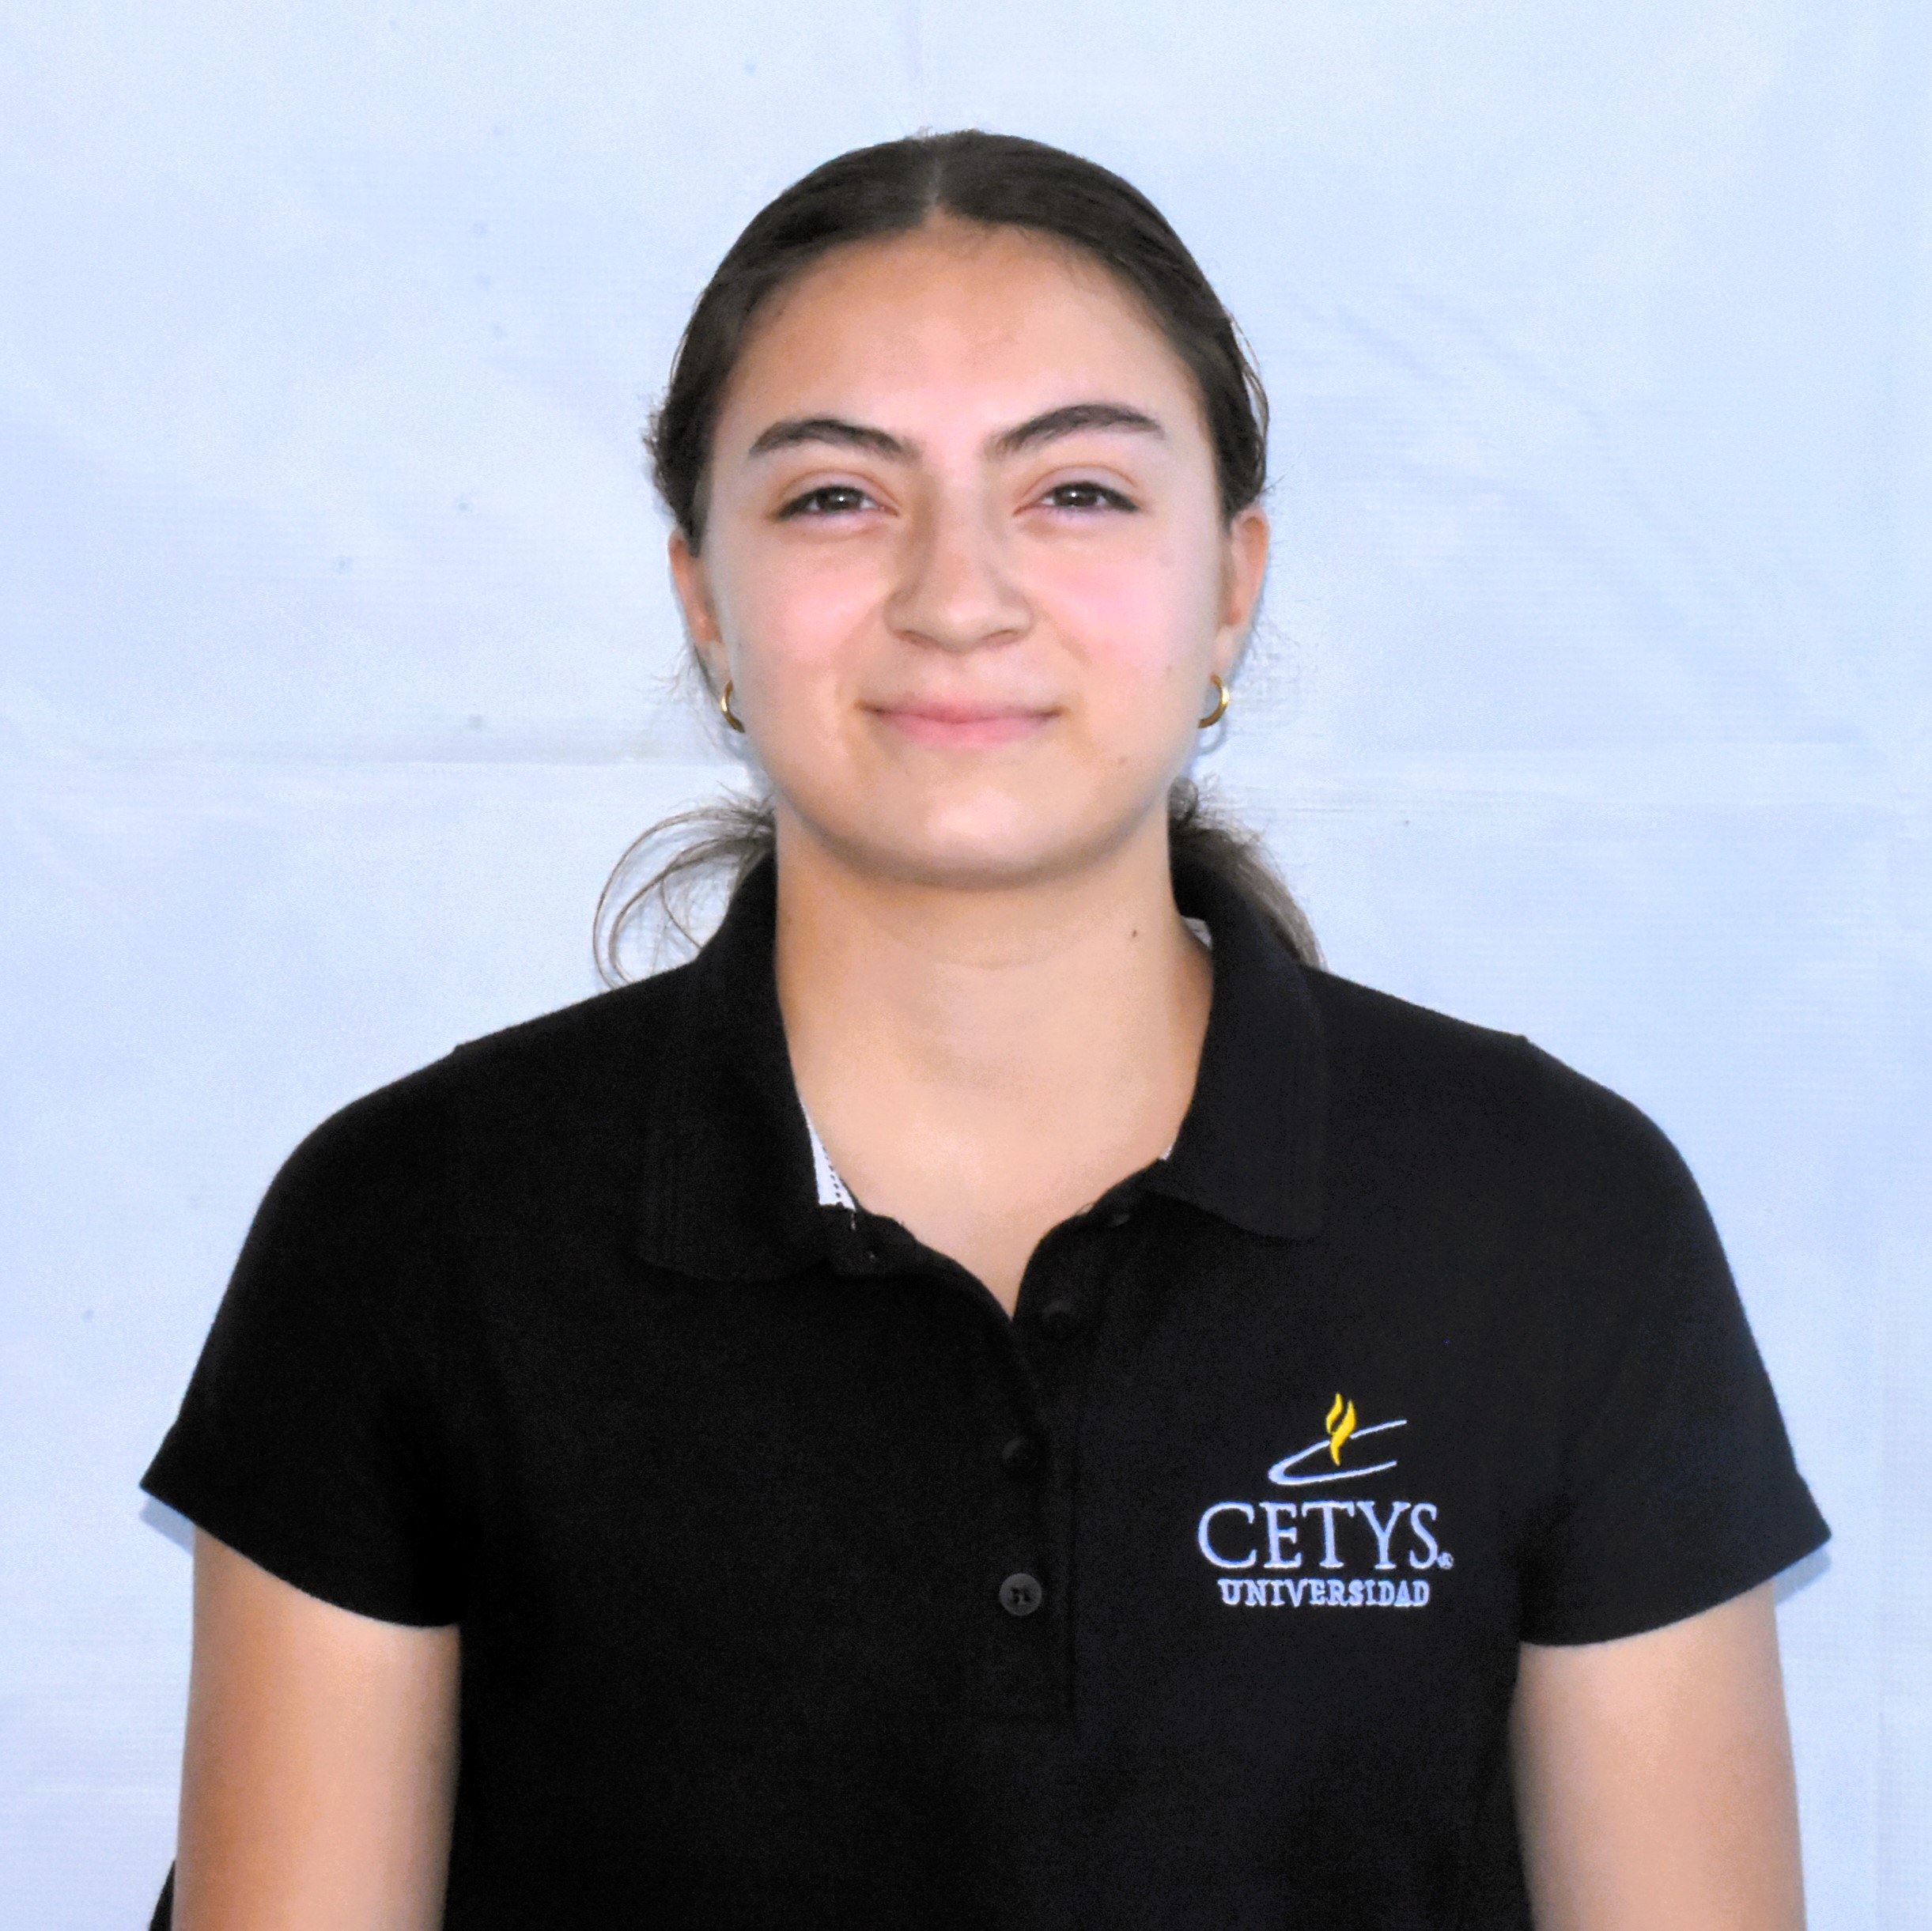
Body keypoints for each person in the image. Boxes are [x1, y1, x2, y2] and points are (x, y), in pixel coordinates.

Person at [143, 130, 1828, 1930]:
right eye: (835, 498)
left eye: (1077, 492)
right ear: (704, 600)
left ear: (1231, 584)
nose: (957, 597)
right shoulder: (411, 1231)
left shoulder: (1557, 1222)